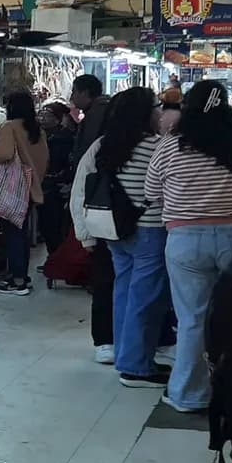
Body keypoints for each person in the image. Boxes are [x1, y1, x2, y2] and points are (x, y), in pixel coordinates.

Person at [146, 80, 232, 414]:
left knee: (192, 320)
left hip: (186, 241)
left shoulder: (171, 146)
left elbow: (151, 191)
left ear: (188, 108)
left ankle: (189, 394)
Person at [72, 87, 170, 388]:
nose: (161, 112)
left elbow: (81, 186)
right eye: (157, 107)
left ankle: (125, 356)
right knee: (145, 298)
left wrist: (84, 233)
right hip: (149, 231)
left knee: (124, 292)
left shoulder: (103, 145)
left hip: (114, 231)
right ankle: (136, 367)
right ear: (146, 113)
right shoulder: (158, 147)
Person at [70, 73, 115, 364]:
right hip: (135, 228)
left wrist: (85, 233)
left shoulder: (99, 139)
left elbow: (81, 184)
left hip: (103, 220)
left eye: (74, 91)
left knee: (107, 281)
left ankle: (106, 341)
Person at [0, 91, 49, 296]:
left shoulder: (9, 127)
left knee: (13, 233)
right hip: (31, 186)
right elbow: (44, 158)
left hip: (13, 186)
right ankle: (22, 275)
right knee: (21, 233)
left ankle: (18, 280)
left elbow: (3, 154)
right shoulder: (37, 130)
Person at [38, 102, 77, 254]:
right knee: (46, 226)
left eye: (47, 115)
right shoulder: (39, 136)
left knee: (57, 227)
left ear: (58, 119)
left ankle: (57, 260)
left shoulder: (65, 137)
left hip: (58, 187)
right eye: (41, 114)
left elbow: (68, 163)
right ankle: (53, 259)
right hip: (44, 186)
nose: (42, 118)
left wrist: (64, 180)